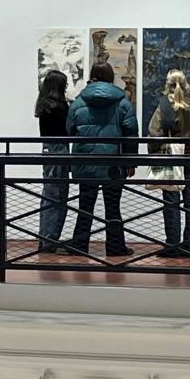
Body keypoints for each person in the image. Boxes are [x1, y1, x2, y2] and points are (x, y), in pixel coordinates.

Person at [66, 62, 139, 256]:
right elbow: (131, 133)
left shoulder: (79, 101)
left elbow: (69, 130)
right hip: (113, 164)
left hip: (85, 161)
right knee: (113, 207)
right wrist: (131, 163)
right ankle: (115, 247)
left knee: (85, 206)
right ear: (111, 76)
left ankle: (80, 246)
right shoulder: (123, 102)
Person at [148, 70, 190, 257]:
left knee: (171, 203)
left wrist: (155, 152)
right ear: (186, 86)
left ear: (167, 85)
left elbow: (154, 133)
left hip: (171, 159)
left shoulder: (163, 108)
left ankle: (172, 245)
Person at [35, 69, 70, 253]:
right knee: (58, 196)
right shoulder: (59, 107)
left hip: (47, 150)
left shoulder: (43, 105)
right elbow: (68, 129)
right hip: (59, 151)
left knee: (49, 195)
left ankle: (45, 238)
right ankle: (50, 240)